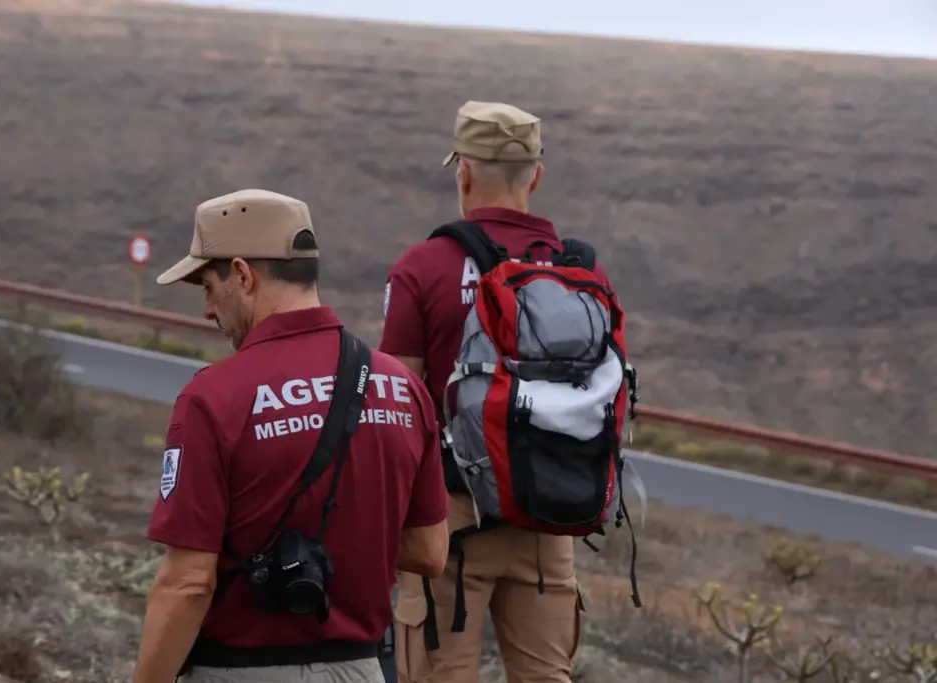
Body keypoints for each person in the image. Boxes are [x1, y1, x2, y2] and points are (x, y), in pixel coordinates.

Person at [132, 188, 450, 683]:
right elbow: (430, 553)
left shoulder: (213, 398)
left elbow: (188, 585)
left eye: (208, 289)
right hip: (363, 669)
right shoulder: (403, 388)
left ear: (242, 275)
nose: (208, 312)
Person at [380, 101, 624, 683]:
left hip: (448, 524)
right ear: (536, 176)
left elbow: (394, 411)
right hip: (548, 517)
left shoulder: (424, 268)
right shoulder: (582, 276)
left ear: (462, 171)